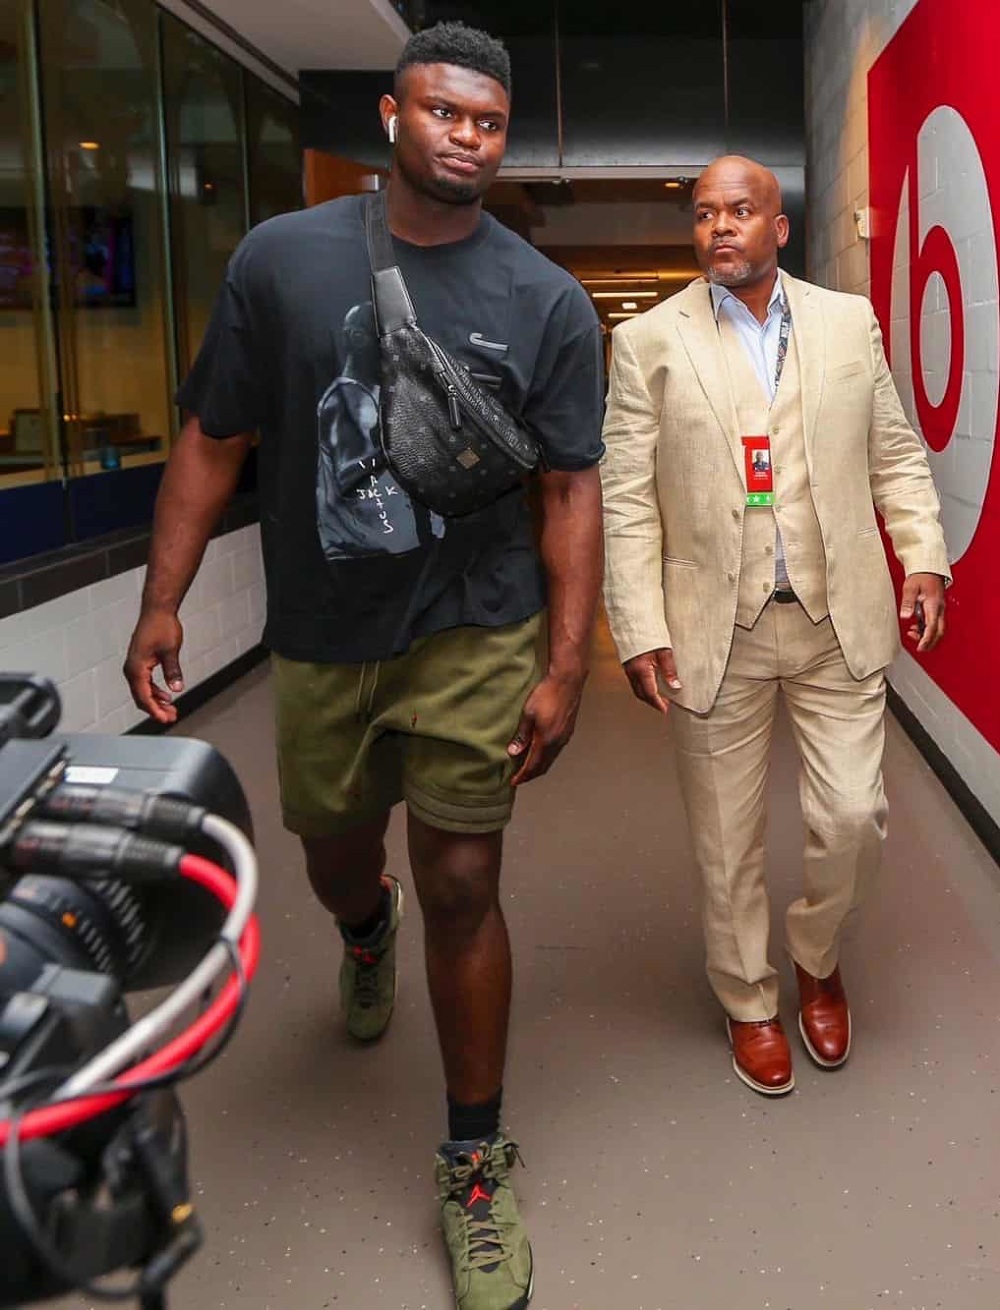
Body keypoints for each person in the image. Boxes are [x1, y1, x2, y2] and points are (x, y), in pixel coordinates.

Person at [124, 22, 604, 1309]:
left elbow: (568, 488)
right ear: (394, 115)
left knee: (462, 874)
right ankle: (360, 922)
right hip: (324, 632)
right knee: (339, 844)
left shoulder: (541, 300)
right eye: (443, 111)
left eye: (489, 122)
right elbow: (214, 435)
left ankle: (472, 1158)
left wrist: (565, 662)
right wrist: (161, 602)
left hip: (473, 624)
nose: (466, 136)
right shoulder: (282, 259)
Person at [599, 154, 950, 1098]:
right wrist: (636, 623)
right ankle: (750, 999)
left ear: (779, 226)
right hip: (719, 625)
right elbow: (626, 499)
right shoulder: (648, 345)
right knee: (726, 837)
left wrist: (922, 555)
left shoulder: (848, 324)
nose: (719, 227)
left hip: (838, 620)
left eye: (740, 211)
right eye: (706, 213)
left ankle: (817, 953)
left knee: (852, 818)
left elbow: (896, 455)